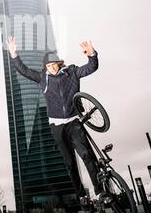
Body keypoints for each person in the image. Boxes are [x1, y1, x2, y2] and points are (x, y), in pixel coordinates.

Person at [6, 36, 103, 202]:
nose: (51, 68)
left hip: (73, 122)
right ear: (45, 67)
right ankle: (81, 194)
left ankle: (101, 191)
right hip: (57, 126)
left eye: (53, 65)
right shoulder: (42, 79)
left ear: (59, 63)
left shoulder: (72, 72)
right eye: (48, 66)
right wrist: (14, 55)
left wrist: (92, 54)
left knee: (86, 155)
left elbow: (91, 68)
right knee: (69, 163)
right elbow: (24, 70)